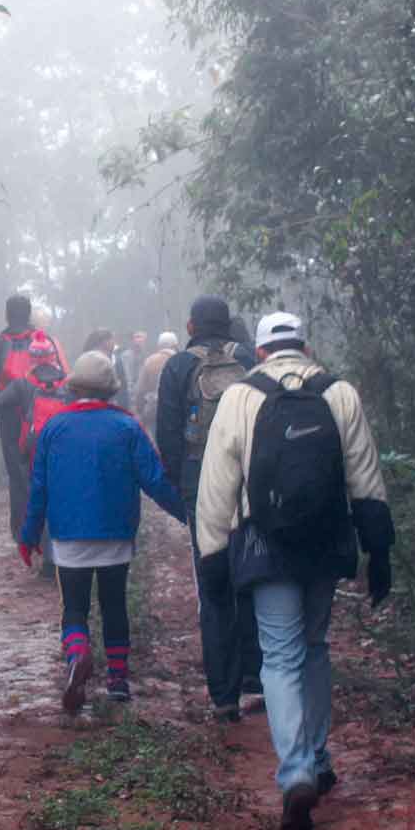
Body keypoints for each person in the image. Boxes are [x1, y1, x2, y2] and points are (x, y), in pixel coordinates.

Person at [194, 311, 394, 830]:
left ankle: (297, 771)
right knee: (315, 645)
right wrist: (380, 550)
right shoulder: (338, 393)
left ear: (259, 352)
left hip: (266, 544)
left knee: (279, 655)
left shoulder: (240, 397)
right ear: (304, 346)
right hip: (326, 541)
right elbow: (365, 474)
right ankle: (321, 756)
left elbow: (217, 486)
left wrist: (213, 558)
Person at [20, 352, 184, 712]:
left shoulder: (55, 427)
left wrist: (29, 534)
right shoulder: (126, 426)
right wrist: (189, 515)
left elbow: (39, 487)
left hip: (68, 537)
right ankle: (118, 681)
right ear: (111, 390)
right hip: (115, 533)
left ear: (73, 387)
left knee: (74, 607)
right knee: (114, 605)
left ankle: (78, 653)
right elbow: (154, 480)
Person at [154, 296, 263, 721]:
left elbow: (168, 436)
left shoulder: (178, 367)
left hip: (201, 483)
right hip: (248, 479)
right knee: (253, 575)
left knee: (213, 587)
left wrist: (182, 486)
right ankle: (258, 679)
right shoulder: (249, 360)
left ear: (190, 324)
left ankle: (223, 696)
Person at [0, 294, 68, 541]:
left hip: (11, 415)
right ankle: (52, 531)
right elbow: (64, 375)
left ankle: (24, 531)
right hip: (48, 413)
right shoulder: (47, 341)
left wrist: (1, 377)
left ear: (6, 315)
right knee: (48, 469)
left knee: (18, 474)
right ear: (29, 314)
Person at [133, 331, 178, 435]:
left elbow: (140, 389)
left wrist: (140, 410)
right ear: (175, 345)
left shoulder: (150, 361)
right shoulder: (179, 360)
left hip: (154, 411)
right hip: (176, 412)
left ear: (159, 345)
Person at [117, 331, 147, 410]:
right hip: (127, 396)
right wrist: (132, 397)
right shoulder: (125, 356)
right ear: (132, 342)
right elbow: (127, 377)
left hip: (141, 397)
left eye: (141, 340)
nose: (139, 343)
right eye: (136, 338)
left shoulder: (146, 357)